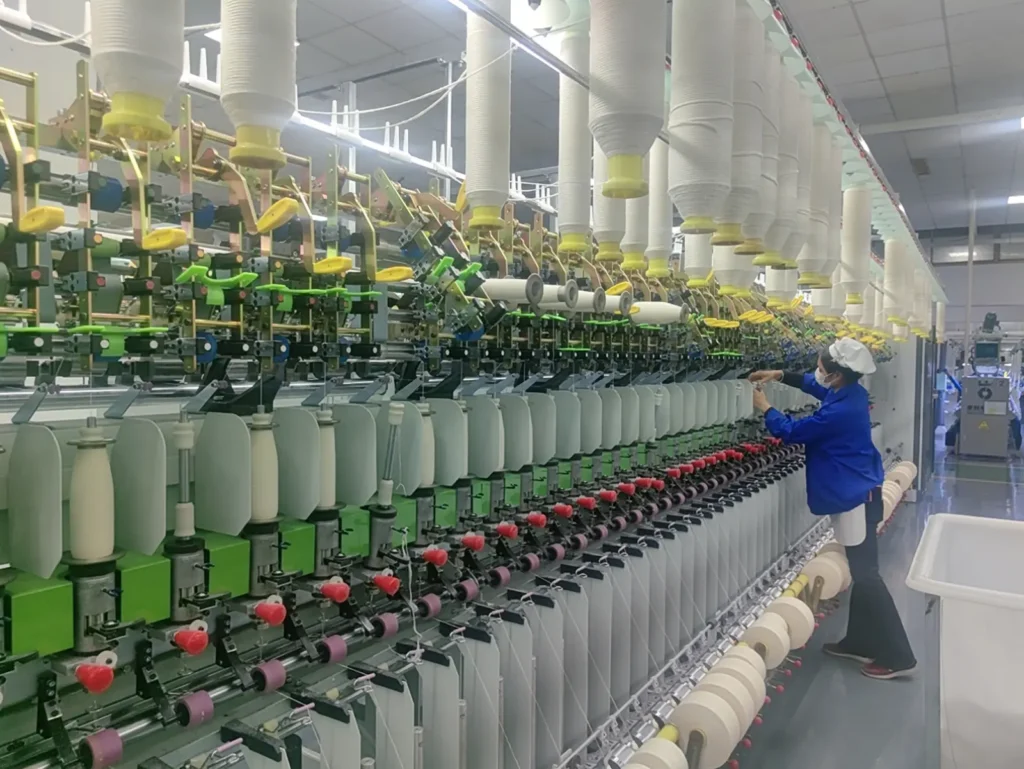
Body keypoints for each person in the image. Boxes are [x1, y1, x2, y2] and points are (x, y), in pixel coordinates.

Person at [749, 337, 916, 680]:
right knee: (861, 571)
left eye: (822, 368)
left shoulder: (840, 411)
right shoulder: (850, 393)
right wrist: (780, 375)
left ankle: (898, 656)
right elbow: (815, 387)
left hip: (857, 498)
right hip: (859, 490)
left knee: (867, 576)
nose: (818, 373)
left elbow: (793, 431)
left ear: (837, 375)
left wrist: (766, 407)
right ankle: (859, 640)